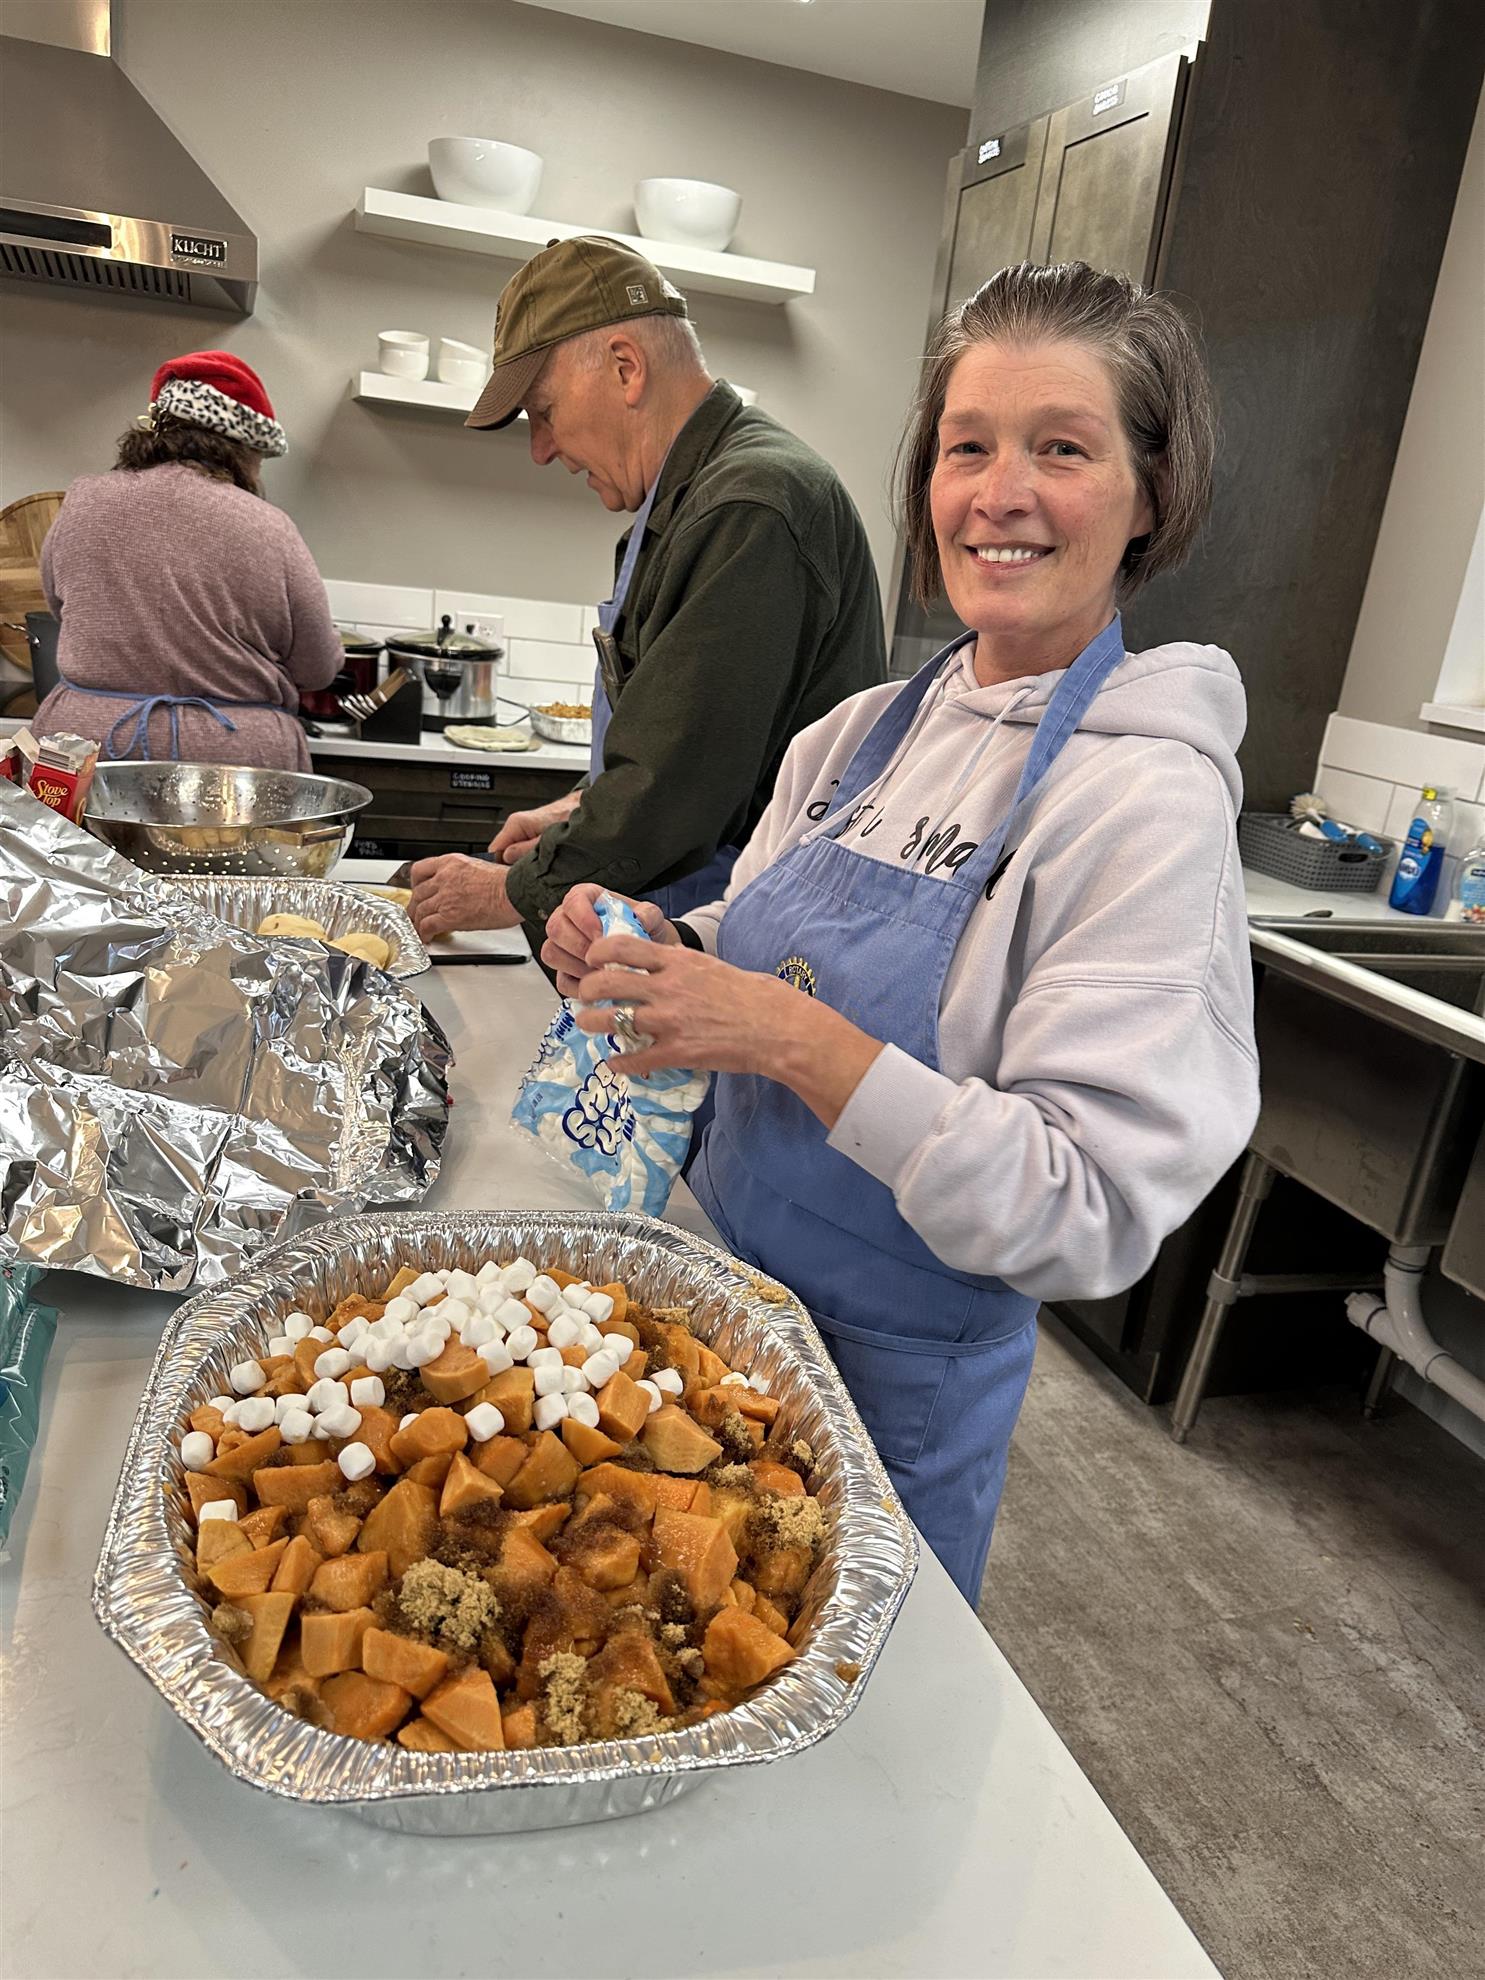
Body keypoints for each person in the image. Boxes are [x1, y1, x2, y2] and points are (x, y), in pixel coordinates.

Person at [542, 261, 1262, 1605]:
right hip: (708, 1330)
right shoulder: (856, 737)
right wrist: (656, 952)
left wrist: (799, 1041)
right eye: (966, 446)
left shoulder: (1139, 800)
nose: (1000, 493)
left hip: (886, 1406)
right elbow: (739, 949)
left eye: (1062, 448)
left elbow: (1087, 1211)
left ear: (1148, 495)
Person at [407, 236, 885, 945]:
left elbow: (678, 788)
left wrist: (509, 890)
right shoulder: (692, 499)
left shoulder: (749, 505)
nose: (540, 449)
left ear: (626, 368)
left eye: (542, 411)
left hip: (746, 931)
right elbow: (698, 738)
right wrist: (578, 810)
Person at [36, 351, 340, 769]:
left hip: (85, 752)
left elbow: (59, 608)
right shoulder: (268, 526)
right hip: (229, 764)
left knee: (76, 840)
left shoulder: (82, 501)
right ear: (243, 450)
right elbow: (319, 667)